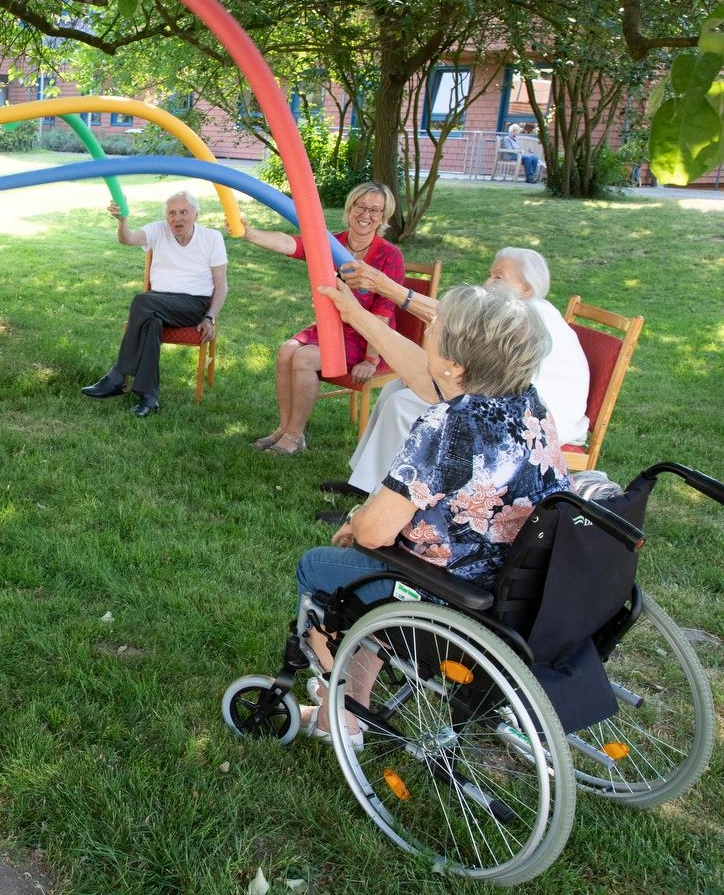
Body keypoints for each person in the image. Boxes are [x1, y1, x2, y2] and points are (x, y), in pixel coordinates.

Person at [294, 281, 570, 743]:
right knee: (365, 573)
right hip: (517, 583)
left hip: (449, 594)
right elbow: (428, 378)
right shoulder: (524, 400)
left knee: (319, 567)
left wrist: (354, 522)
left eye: (436, 324)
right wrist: (353, 312)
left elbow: (376, 531)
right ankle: (356, 702)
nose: (428, 324)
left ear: (455, 363)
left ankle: (337, 713)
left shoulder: (445, 427)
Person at [319, 248, 589, 516]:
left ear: (527, 289)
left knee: (405, 405)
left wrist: (383, 287)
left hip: (536, 421)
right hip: (510, 403)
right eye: (490, 274)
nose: (489, 282)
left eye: (498, 276)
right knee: (395, 388)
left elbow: (450, 324)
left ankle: (380, 501)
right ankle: (366, 481)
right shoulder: (521, 311)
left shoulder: (521, 317)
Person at [238, 182, 404, 454]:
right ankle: (283, 428)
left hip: (368, 338)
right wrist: (249, 233)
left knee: (303, 358)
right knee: (286, 351)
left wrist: (371, 359)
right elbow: (291, 243)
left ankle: (294, 437)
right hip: (331, 328)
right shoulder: (332, 243)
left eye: (375, 210)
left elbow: (383, 313)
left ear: (383, 216)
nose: (366, 214)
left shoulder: (390, 256)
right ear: (350, 208)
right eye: (360, 206)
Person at [81, 191, 227, 417]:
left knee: (142, 301)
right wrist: (123, 220)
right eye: (172, 213)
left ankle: (118, 376)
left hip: (192, 306)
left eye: (183, 212)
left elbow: (222, 286)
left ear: (196, 214)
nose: (177, 218)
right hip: (158, 303)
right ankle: (149, 398)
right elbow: (127, 238)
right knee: (151, 324)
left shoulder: (212, 238)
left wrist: (210, 317)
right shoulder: (158, 230)